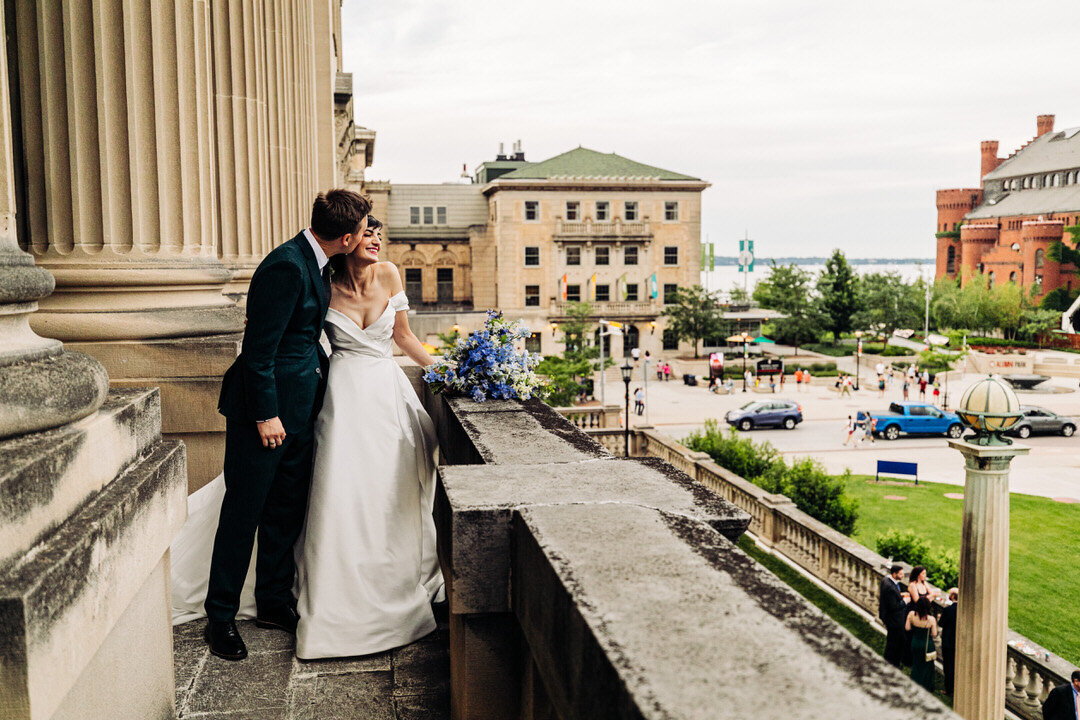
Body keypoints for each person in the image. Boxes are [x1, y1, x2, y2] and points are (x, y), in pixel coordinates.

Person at [204, 190, 372, 661]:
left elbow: (304, 338)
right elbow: (258, 350)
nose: (366, 234)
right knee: (243, 515)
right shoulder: (286, 265)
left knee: (285, 512)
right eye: (363, 229)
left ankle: (273, 603)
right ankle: (220, 619)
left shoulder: (319, 261)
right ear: (345, 236)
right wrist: (265, 415)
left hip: (302, 409)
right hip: (266, 414)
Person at [296, 213, 444, 659]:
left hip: (385, 394)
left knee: (388, 488)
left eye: (380, 234)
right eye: (367, 234)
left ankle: (392, 573)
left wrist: (448, 369)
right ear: (348, 240)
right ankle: (337, 591)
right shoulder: (322, 282)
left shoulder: (390, 273)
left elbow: (404, 338)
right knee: (340, 489)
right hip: (341, 398)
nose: (376, 240)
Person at [878, 564, 910, 668]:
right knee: (895, 643)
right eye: (900, 574)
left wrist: (899, 595)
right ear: (894, 574)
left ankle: (892, 662)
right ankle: (892, 663)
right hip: (893, 620)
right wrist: (905, 601)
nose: (903, 575)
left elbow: (891, 598)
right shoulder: (889, 587)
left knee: (894, 641)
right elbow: (893, 606)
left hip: (891, 618)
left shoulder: (887, 581)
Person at [906, 597, 938, 693]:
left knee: (916, 664)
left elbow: (907, 628)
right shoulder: (931, 619)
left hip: (915, 642)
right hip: (926, 645)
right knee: (927, 666)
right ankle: (926, 685)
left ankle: (915, 681)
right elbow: (934, 634)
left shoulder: (911, 614)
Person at [939, 588, 958, 696]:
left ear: (953, 597)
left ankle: (949, 689)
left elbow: (941, 624)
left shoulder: (948, 610)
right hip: (958, 641)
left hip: (948, 641)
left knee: (948, 666)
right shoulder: (963, 609)